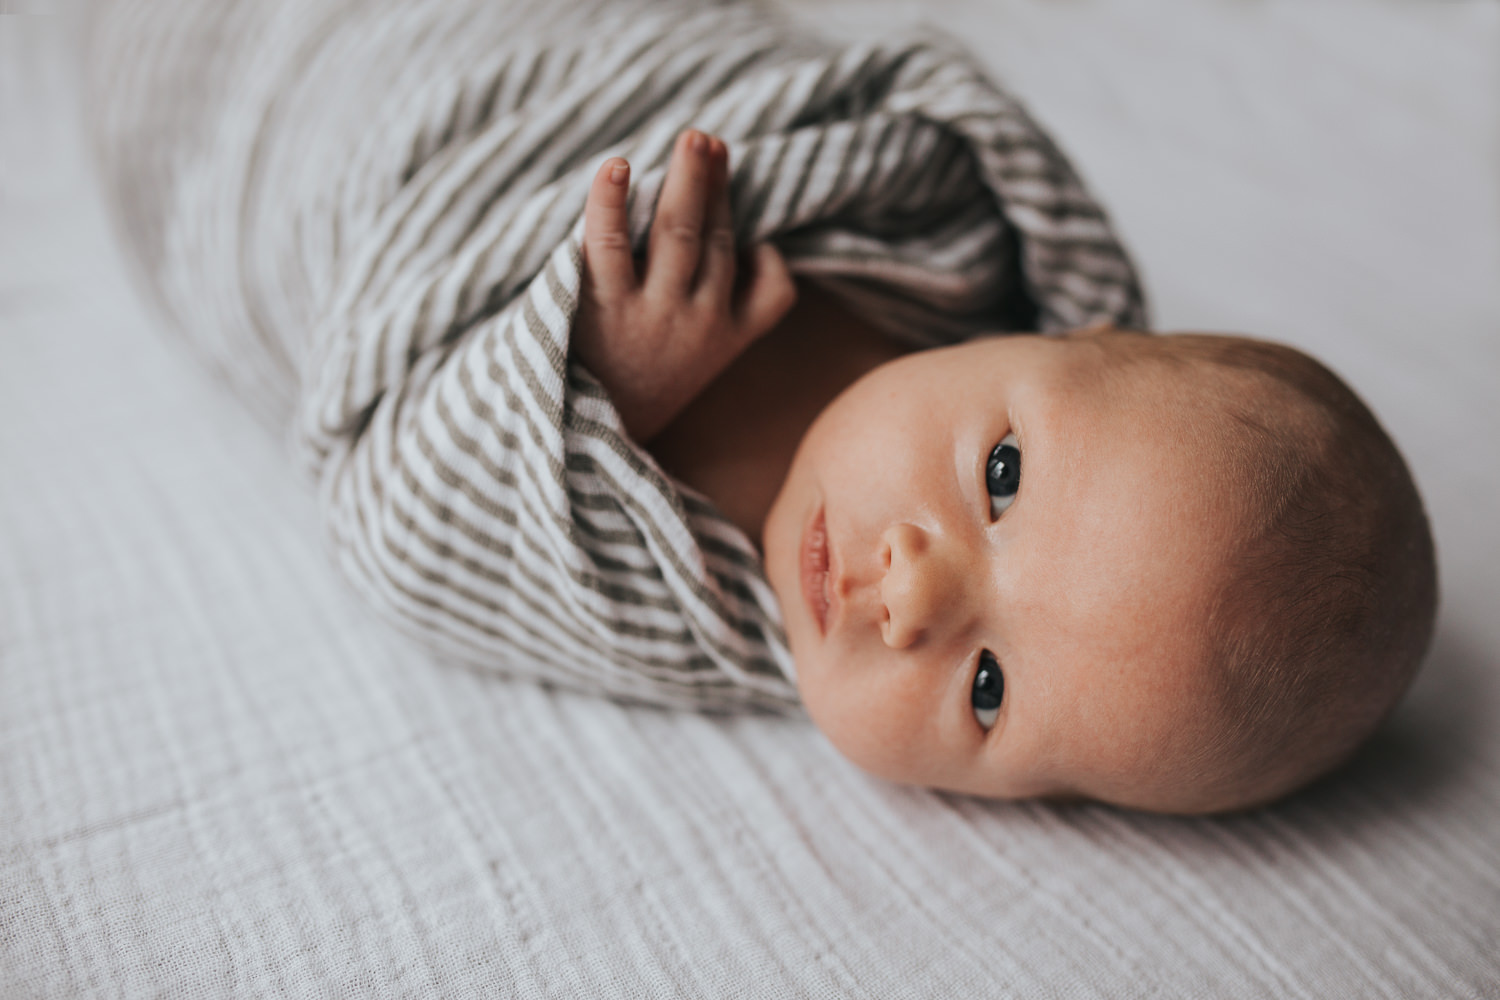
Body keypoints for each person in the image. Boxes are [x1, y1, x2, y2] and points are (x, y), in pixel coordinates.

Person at [574, 129, 1438, 814]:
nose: (911, 596)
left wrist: (598, 385)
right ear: (1066, 336)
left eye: (988, 690)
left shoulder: (690, 620)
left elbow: (445, 532)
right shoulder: (933, 221)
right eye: (1003, 476)